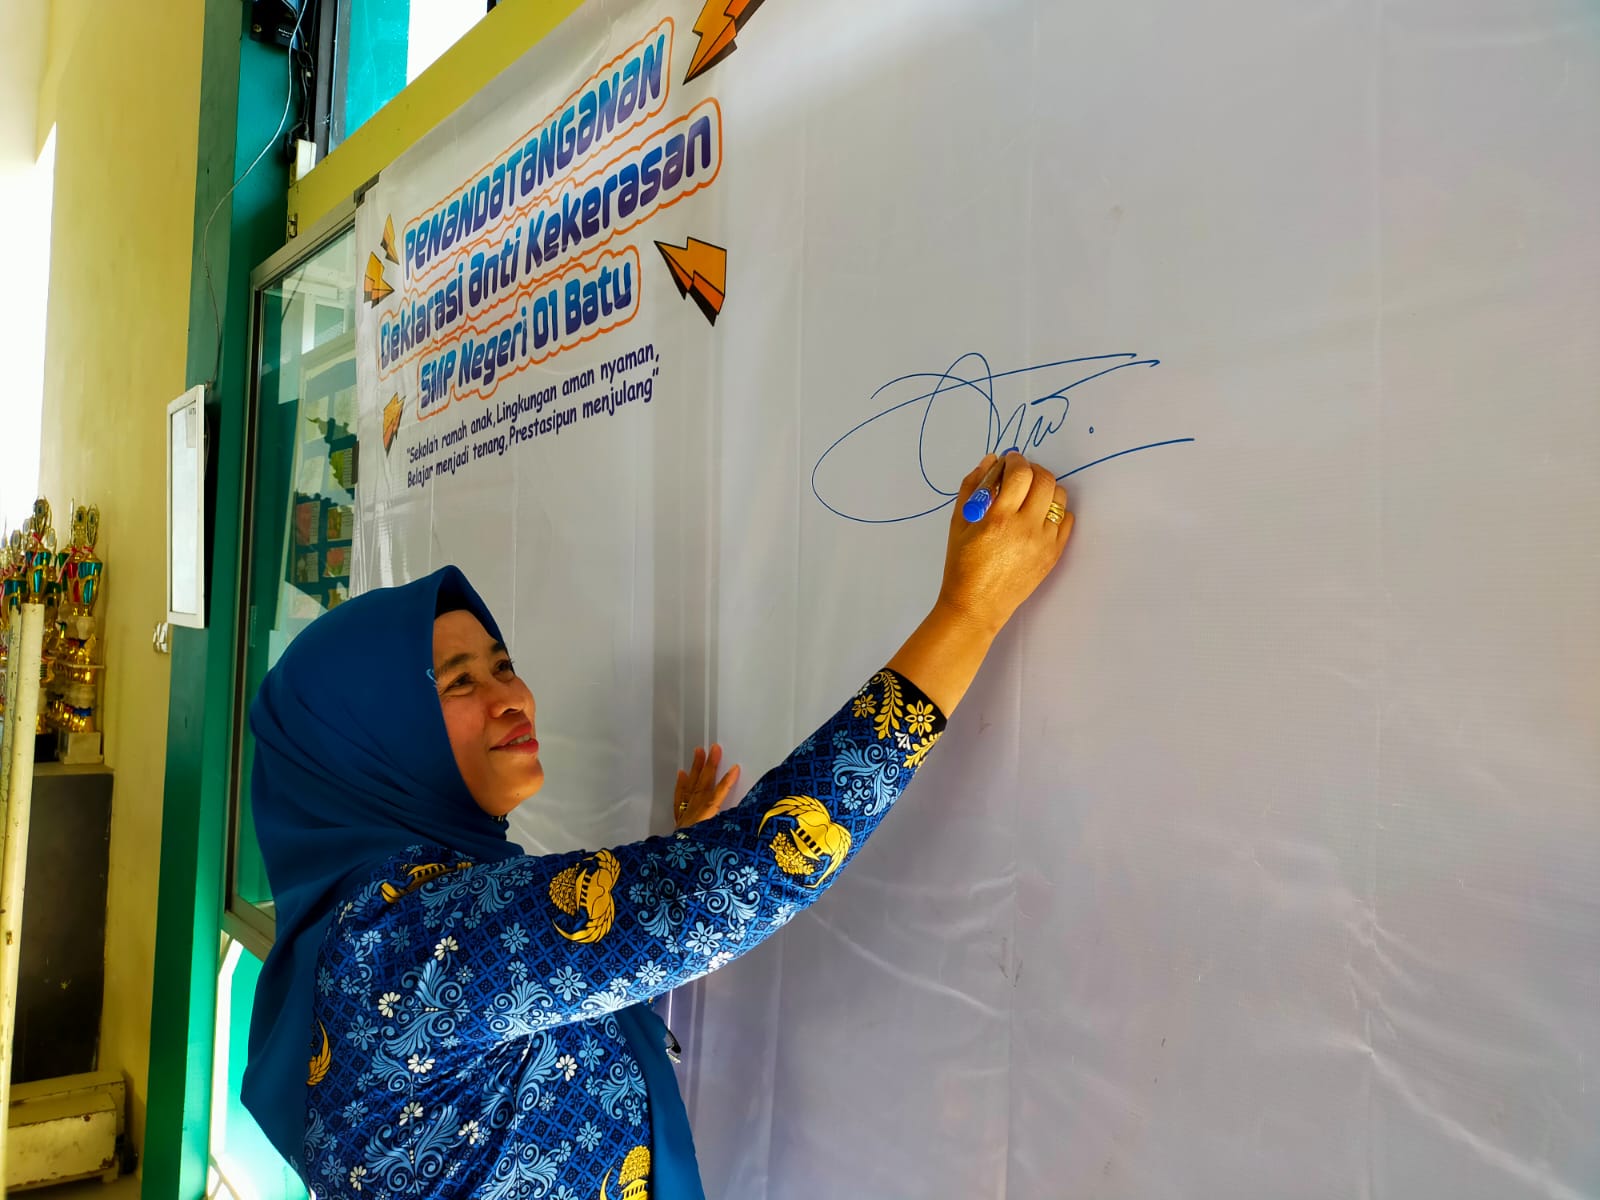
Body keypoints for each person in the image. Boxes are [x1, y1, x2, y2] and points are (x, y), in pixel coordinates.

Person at [242, 451, 1073, 1198]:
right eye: (458, 682)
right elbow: (751, 873)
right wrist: (967, 614)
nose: (513, 698)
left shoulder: (373, 929)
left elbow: (542, 1022)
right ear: (368, 738)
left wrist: (675, 868)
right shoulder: (399, 940)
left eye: (503, 664)